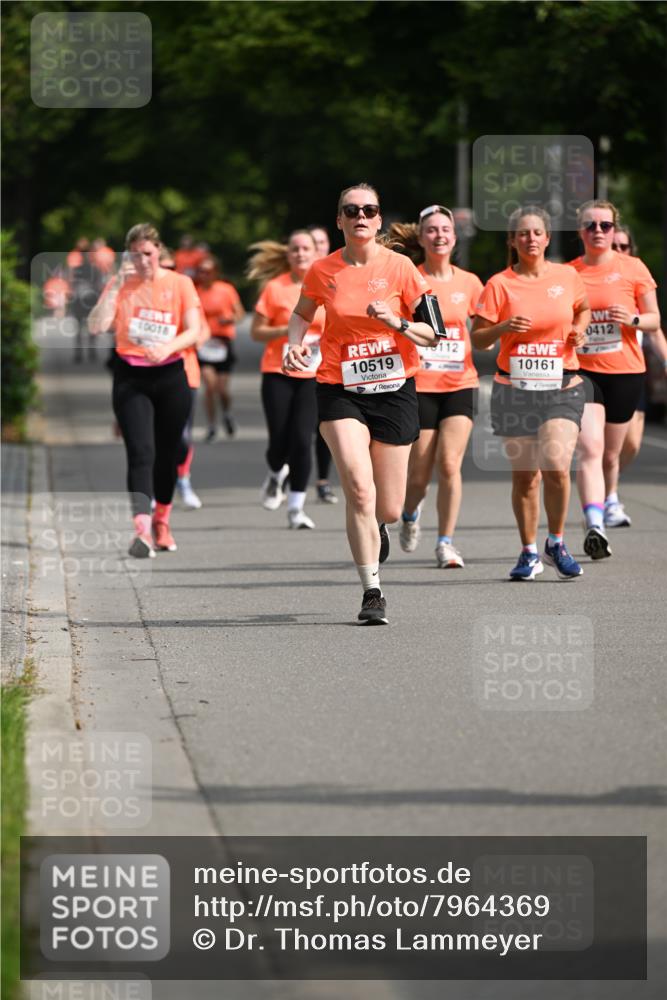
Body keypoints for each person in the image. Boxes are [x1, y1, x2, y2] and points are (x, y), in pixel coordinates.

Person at [284, 183, 435, 624]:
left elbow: (432, 333)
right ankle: (372, 590)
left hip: (395, 389)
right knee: (358, 485)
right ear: (340, 220)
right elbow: (301, 313)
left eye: (369, 210)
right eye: (351, 210)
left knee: (386, 506)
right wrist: (294, 344)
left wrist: (397, 322)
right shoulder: (323, 270)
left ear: (379, 218)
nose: (361, 216)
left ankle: (382, 525)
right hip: (339, 387)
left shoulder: (403, 268)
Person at [471, 206, 591, 581]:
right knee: (526, 477)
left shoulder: (567, 276)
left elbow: (583, 309)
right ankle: (528, 552)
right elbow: (477, 337)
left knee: (555, 465)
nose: (530, 239)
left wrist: (580, 330)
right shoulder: (500, 284)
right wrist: (504, 325)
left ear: (547, 237)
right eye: (522, 233)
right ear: (512, 241)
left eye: (537, 232)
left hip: (562, 386)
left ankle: (555, 542)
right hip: (514, 388)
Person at [88, 223, 199, 556]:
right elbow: (96, 326)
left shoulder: (180, 283)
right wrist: (116, 285)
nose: (143, 261)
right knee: (140, 452)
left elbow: (194, 330)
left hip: (170, 375)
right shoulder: (120, 284)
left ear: (159, 252)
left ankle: (162, 519)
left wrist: (168, 346)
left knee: (168, 454)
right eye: (135, 255)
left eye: (148, 254)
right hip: (131, 376)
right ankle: (142, 531)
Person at [386, 205, 484, 568]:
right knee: (420, 472)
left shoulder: (471, 283)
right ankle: (410, 514)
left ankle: (446, 543)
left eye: (445, 229)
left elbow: (486, 332)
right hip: (421, 384)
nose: (439, 235)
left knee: (449, 464)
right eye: (432, 230)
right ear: (422, 237)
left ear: (454, 237)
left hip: (461, 383)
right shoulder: (410, 278)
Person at [570, 201, 663, 552]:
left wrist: (634, 320)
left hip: (625, 370)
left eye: (605, 225)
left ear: (613, 229)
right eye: (590, 225)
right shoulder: (569, 273)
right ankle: (595, 524)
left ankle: (607, 499)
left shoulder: (634, 268)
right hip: (582, 372)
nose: (598, 231)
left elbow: (654, 319)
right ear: (580, 231)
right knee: (590, 449)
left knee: (612, 453)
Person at [249, 230, 324, 529]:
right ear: (288, 254)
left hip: (314, 373)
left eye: (306, 248)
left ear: (315, 252)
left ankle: (296, 508)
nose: (301, 253)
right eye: (295, 249)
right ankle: (275, 472)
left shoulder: (328, 285)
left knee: (302, 439)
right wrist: (290, 332)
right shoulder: (275, 288)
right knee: (279, 439)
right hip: (277, 371)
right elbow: (256, 332)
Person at [194, 255, 245, 441]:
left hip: (223, 342)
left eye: (207, 271)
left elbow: (239, 313)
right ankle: (211, 425)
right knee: (209, 386)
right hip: (204, 343)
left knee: (222, 389)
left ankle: (227, 413)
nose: (203, 274)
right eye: (200, 271)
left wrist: (229, 319)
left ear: (215, 272)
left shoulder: (226, 290)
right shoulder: (195, 291)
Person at [307, 224, 338, 504]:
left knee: (323, 425)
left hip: (331, 363)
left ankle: (323, 480)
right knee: (299, 427)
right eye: (311, 242)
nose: (317, 247)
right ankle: (286, 468)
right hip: (300, 365)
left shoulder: (340, 272)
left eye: (321, 241)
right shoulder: (310, 276)